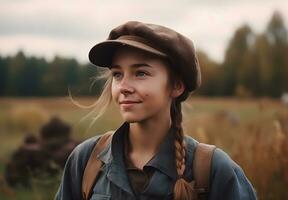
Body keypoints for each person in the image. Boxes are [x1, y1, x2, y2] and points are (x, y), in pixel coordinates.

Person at [55, 21, 257, 200]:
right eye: (117, 74)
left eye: (141, 73)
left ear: (177, 86)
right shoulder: (86, 160)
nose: (124, 86)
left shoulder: (213, 170)